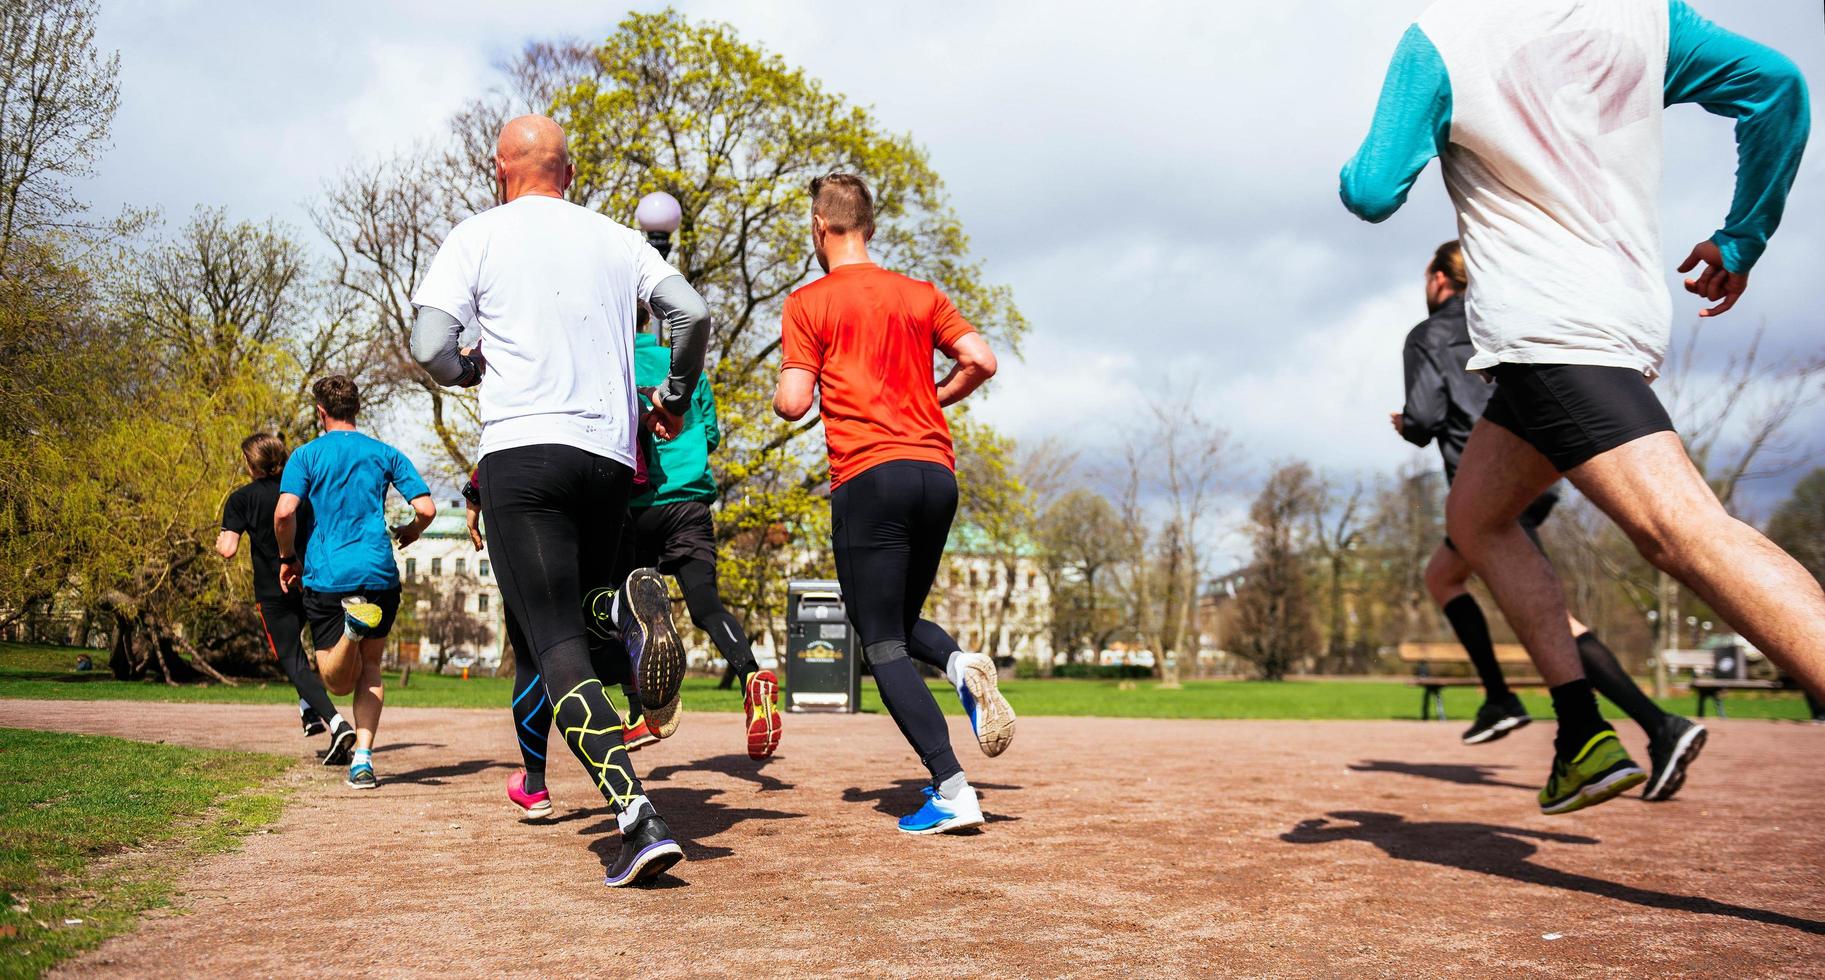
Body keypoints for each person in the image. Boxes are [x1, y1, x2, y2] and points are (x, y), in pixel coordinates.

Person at [1342, 0, 1817, 815]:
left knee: (1680, 534)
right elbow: (1775, 86)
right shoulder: (1645, 16)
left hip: (1546, 327)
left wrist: (1425, 124)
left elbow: (1371, 189)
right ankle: (1580, 733)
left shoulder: (1441, 39)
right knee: (1477, 519)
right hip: (1613, 318)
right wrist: (1741, 238)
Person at [410, 114, 711, 886]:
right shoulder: (616, 238)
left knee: (552, 646)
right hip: (610, 462)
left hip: (524, 455)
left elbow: (428, 347)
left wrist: (469, 371)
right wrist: (674, 394)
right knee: (580, 608)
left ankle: (636, 816)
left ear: (498, 167)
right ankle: (618, 609)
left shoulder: (476, 235)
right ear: (568, 174)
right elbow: (692, 314)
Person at [1395, 241, 1704, 801]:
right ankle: (1502, 699)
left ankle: (1658, 724)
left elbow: (1424, 417)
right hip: (1538, 471)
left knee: (1548, 615)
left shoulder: (1429, 334)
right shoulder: (1494, 321)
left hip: (1487, 484)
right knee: (1445, 574)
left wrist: (1408, 425)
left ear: (1439, 278)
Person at [773, 171, 1007, 834]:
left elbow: (793, 401)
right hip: (935, 474)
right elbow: (981, 359)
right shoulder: (920, 294)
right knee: (900, 621)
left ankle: (952, 787)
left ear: (819, 227)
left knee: (878, 643)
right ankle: (959, 664)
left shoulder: (808, 303)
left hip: (868, 478)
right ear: (869, 227)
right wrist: (933, 398)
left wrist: (795, 389)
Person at [612, 325, 782, 760]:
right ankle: (749, 676)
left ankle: (643, 711)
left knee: (634, 611)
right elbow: (709, 435)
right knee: (707, 605)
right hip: (690, 503)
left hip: (639, 505)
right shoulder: (687, 366)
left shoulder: (611, 359)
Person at [274, 376, 435, 790]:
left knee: (334, 679)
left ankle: (349, 630)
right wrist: (413, 531)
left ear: (321, 412)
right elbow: (426, 508)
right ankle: (362, 759)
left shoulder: (306, 455)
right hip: (378, 572)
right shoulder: (384, 453)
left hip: (329, 576)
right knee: (373, 667)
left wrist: (287, 557)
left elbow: (283, 512)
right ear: (356, 410)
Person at [216, 432, 357, 764]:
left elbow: (228, 549)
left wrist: (223, 535)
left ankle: (336, 724)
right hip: (312, 582)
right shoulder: (300, 492)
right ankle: (309, 709)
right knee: (312, 655)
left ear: (251, 464)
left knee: (292, 660)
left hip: (273, 591)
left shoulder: (241, 499)